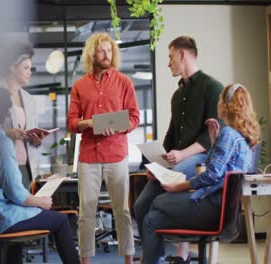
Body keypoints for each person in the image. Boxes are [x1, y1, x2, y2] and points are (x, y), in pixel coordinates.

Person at [140, 83, 261, 264]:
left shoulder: (228, 134)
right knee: (151, 220)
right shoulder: (240, 136)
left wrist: (178, 186)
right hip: (222, 211)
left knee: (157, 201)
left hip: (212, 207)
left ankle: (157, 257)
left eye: (220, 100)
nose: (218, 104)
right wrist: (214, 143)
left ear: (227, 105)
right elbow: (220, 172)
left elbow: (211, 176)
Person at [133, 36, 224, 263]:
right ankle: (158, 256)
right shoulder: (177, 95)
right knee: (140, 205)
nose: (168, 63)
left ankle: (164, 254)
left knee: (158, 200)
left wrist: (182, 155)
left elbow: (212, 135)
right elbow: (171, 137)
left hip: (201, 159)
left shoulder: (212, 87)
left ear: (182, 54)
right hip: (179, 161)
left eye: (170, 57)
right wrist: (157, 165)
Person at [0, 87, 80, 264]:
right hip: (3, 217)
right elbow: (15, 193)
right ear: (5, 112)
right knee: (61, 220)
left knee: (22, 227)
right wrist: (41, 202)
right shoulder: (1, 143)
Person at [67, 32, 139, 264]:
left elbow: (134, 117)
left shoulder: (124, 82)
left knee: (123, 212)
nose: (106, 55)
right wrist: (90, 123)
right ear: (92, 53)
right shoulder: (79, 85)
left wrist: (118, 127)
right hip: (89, 156)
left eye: (109, 51)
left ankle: (128, 260)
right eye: (101, 50)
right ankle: (85, 261)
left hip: (116, 155)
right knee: (86, 213)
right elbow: (71, 121)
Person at [0, 40, 44, 189]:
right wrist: (7, 133)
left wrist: (37, 140)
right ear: (12, 68)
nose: (30, 72)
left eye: (30, 68)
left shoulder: (28, 99)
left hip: (26, 167)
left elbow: (33, 131)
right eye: (26, 68)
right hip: (3, 165)